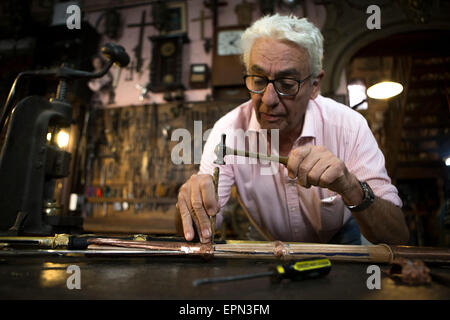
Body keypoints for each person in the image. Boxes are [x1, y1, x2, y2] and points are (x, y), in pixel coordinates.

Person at [176, 14, 409, 245]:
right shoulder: (227, 132)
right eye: (258, 80)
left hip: (340, 240)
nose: (268, 100)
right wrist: (190, 208)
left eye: (286, 85)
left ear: (314, 85)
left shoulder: (349, 126)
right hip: (267, 242)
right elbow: (199, 231)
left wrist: (350, 187)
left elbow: (397, 236)